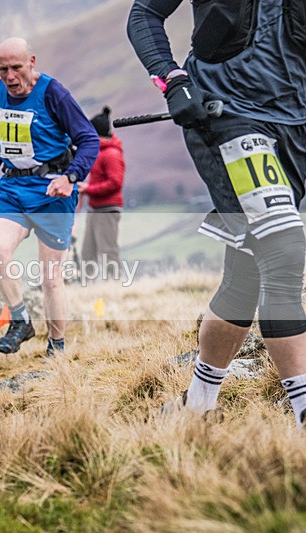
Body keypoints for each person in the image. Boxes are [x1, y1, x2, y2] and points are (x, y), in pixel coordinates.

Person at [127, 0, 306, 427]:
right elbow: (144, 14)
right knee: (283, 254)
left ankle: (199, 405)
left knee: (246, 274)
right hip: (227, 117)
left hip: (296, 124)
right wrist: (172, 80)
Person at [0, 37, 99, 356]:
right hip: (13, 191)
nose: (10, 77)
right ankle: (20, 321)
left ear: (32, 61)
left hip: (51, 195)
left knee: (50, 280)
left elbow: (88, 140)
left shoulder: (53, 93)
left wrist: (70, 177)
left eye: (16, 68)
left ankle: (56, 346)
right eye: (3, 69)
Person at [78, 106, 125, 279]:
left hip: (107, 209)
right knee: (87, 252)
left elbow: (115, 183)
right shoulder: (100, 153)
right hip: (95, 208)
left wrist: (88, 189)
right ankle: (87, 286)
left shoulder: (111, 154)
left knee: (108, 251)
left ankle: (115, 284)